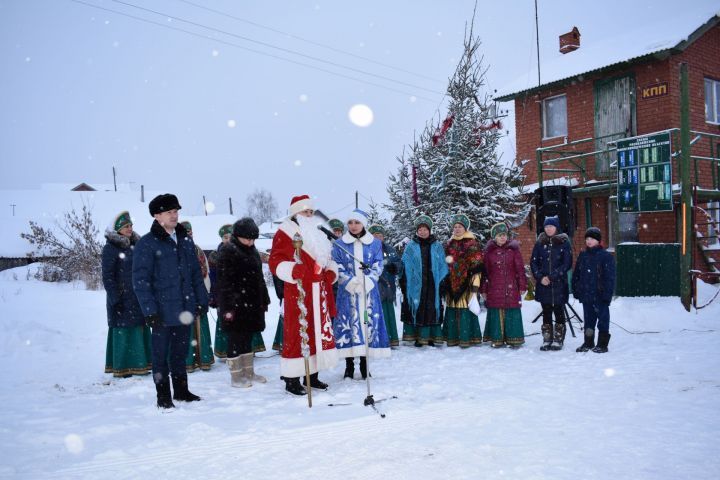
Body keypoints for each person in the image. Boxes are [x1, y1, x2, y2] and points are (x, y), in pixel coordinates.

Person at [133, 194, 209, 409]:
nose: (175, 215)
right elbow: (140, 281)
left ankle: (182, 391)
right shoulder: (146, 244)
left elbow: (195, 273)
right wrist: (150, 311)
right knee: (160, 355)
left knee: (180, 352)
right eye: (170, 212)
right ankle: (163, 396)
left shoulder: (185, 240)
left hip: (184, 309)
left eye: (176, 211)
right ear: (157, 216)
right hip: (161, 311)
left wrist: (201, 299)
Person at [268, 195, 339, 395]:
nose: (309, 215)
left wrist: (332, 271)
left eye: (310, 212)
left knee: (316, 333)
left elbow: (329, 259)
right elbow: (275, 261)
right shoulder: (285, 233)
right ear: (295, 214)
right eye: (304, 212)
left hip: (320, 292)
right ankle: (292, 380)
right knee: (298, 334)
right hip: (298, 291)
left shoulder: (319, 233)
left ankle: (312, 376)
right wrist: (292, 270)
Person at [333, 211, 391, 380]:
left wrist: (368, 281)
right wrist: (351, 283)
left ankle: (365, 365)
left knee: (367, 325)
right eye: (350, 222)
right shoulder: (339, 244)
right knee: (349, 326)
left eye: (357, 222)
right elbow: (337, 266)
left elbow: (378, 264)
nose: (353, 225)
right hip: (347, 293)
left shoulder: (374, 244)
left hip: (368, 293)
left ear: (363, 224)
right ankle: (349, 365)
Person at [217, 218, 271, 387]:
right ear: (238, 236)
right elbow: (224, 283)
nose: (250, 242)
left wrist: (264, 299)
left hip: (252, 304)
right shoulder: (228, 252)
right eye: (247, 238)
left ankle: (249, 372)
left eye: (253, 239)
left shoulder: (253, 251)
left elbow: (259, 279)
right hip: (235, 305)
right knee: (235, 339)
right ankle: (236, 376)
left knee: (248, 338)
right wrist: (228, 308)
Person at [102, 211, 152, 378]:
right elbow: (107, 276)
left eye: (131, 226)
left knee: (139, 328)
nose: (130, 229)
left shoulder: (136, 245)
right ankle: (123, 367)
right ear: (118, 230)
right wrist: (115, 297)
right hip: (121, 298)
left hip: (138, 296)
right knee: (123, 330)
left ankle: (141, 364)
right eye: (126, 226)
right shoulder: (110, 248)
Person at [401, 215, 449, 347]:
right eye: (420, 229)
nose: (422, 232)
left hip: (433, 283)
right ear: (417, 231)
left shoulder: (437, 246)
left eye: (425, 229)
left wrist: (442, 281)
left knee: (432, 309)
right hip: (416, 284)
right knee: (418, 307)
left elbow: (442, 265)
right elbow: (405, 265)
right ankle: (419, 337)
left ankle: (432, 337)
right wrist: (405, 282)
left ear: (430, 230)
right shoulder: (410, 246)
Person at [530, 216, 573, 351]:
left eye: (551, 226)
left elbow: (567, 263)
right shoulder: (539, 243)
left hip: (559, 283)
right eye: (546, 226)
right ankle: (547, 338)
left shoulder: (564, 242)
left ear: (556, 227)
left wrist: (552, 276)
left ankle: (558, 339)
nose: (548, 229)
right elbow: (533, 262)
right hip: (543, 284)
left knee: (559, 311)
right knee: (546, 311)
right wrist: (540, 277)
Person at [481, 222, 527, 348]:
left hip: (511, 287)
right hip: (494, 288)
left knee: (512, 310)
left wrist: (522, 285)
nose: (503, 237)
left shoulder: (513, 251)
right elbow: (485, 273)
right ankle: (497, 338)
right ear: (494, 237)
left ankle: (514, 338)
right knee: (497, 311)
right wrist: (484, 289)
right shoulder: (489, 253)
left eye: (504, 235)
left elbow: (520, 269)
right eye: (500, 235)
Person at [441, 214, 484, 348]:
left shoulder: (472, 243)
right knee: (452, 308)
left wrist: (474, 283)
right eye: (455, 227)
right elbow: (445, 262)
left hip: (467, 281)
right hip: (451, 281)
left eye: (460, 227)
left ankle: (467, 337)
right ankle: (452, 338)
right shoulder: (449, 244)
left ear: (465, 228)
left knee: (465, 308)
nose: (457, 229)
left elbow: (477, 264)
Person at [571, 227, 616, 353]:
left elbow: (610, 278)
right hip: (586, 295)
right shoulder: (583, 255)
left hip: (600, 295)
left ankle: (602, 344)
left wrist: (607, 295)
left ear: (598, 241)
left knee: (603, 320)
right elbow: (577, 274)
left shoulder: (605, 256)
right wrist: (576, 288)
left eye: (592, 239)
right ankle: (588, 342)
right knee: (588, 321)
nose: (589, 241)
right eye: (587, 239)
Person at [180, 221, 215, 372]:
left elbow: (205, 273)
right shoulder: (176, 250)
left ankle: (204, 359)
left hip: (199, 293)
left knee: (201, 325)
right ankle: (188, 361)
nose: (189, 235)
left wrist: (205, 293)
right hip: (183, 296)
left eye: (190, 232)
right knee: (186, 327)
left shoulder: (198, 251)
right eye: (186, 232)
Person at [369, 224, 402, 348]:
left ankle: (391, 338)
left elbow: (399, 263)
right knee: (376, 312)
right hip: (374, 287)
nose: (378, 237)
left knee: (388, 313)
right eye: (375, 235)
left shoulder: (389, 249)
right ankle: (379, 340)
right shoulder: (367, 250)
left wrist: (394, 267)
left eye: (380, 235)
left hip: (388, 287)